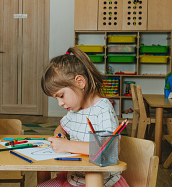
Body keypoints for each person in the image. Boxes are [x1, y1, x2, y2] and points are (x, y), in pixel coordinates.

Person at [37, 46, 129, 187]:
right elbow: (61, 127)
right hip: (75, 178)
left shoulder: (102, 108)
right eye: (56, 98)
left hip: (101, 182)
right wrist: (60, 136)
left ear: (80, 82)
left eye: (61, 96)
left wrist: (68, 145)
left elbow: (110, 150)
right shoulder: (75, 110)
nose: (60, 103)